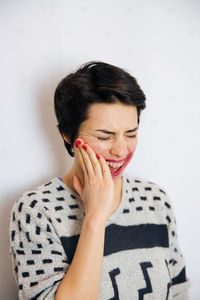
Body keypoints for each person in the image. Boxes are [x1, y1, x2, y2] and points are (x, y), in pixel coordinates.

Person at [9, 61, 191, 299]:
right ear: (68, 134)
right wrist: (95, 217)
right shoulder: (37, 209)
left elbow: (179, 293)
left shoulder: (156, 200)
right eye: (105, 136)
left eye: (131, 134)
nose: (121, 150)